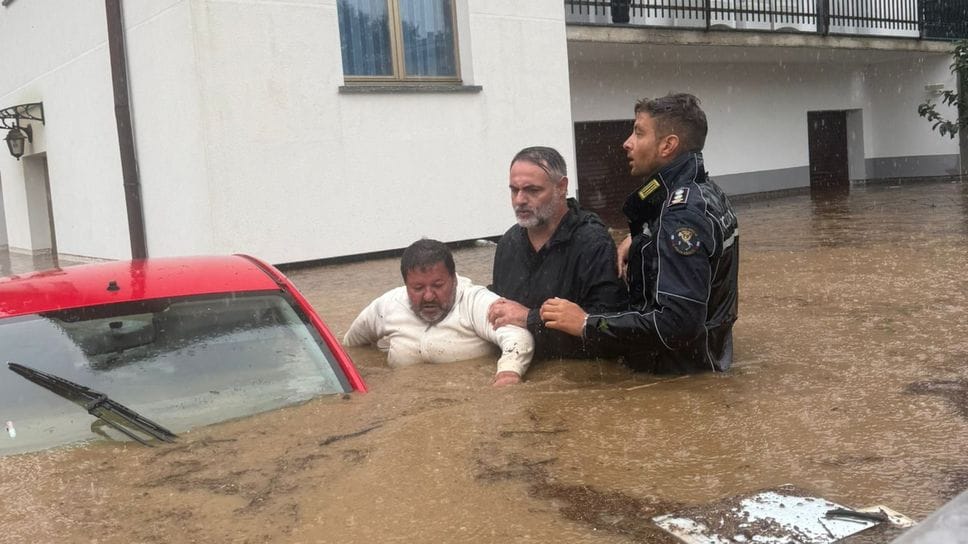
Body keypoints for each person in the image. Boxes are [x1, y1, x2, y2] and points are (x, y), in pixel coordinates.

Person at [540, 93, 739, 373]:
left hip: (677, 378)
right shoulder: (706, 192)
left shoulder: (681, 216)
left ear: (668, 145)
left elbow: (677, 325)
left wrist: (587, 324)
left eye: (638, 132)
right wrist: (643, 239)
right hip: (710, 358)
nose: (627, 143)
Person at [488, 146, 627, 360]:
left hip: (581, 379)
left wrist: (529, 319)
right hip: (518, 371)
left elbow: (609, 328)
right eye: (514, 190)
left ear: (561, 187)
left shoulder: (592, 243)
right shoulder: (508, 243)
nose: (519, 200)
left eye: (532, 190)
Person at [344, 239, 533, 386]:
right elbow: (351, 345)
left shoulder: (474, 301)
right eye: (417, 288)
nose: (428, 296)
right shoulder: (388, 306)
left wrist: (508, 373)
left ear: (454, 279)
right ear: (406, 285)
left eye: (438, 285)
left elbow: (518, 336)